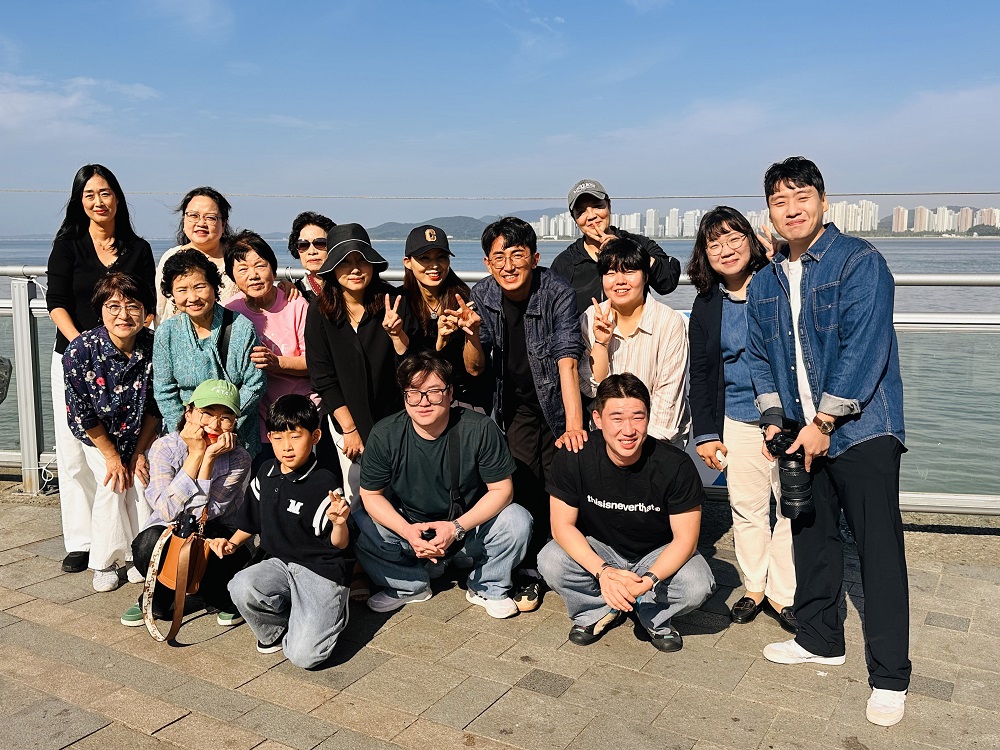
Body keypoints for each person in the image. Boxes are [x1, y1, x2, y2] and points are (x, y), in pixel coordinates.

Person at [747, 157, 910, 727]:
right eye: (779, 201)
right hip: (799, 431)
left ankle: (890, 676)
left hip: (862, 430)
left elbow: (866, 347)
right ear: (768, 211)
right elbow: (759, 356)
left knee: (878, 551)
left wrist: (824, 422)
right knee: (812, 538)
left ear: (823, 201)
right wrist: (774, 419)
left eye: (802, 198)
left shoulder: (859, 261)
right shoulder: (765, 280)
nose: (791, 210)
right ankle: (820, 639)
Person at [538, 374, 715, 651]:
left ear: (648, 417)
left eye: (637, 417)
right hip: (601, 548)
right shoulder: (574, 456)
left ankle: (651, 612)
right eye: (617, 418)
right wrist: (603, 572)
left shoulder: (676, 465)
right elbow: (562, 526)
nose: (628, 430)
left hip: (656, 553)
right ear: (598, 419)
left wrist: (648, 581)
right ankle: (598, 610)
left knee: (697, 584)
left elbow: (686, 540)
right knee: (551, 559)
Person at [355, 352, 531, 618]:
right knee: (361, 521)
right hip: (413, 528)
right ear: (404, 396)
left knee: (516, 519)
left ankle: (487, 585)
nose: (423, 401)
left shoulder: (480, 429)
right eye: (414, 393)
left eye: (434, 392)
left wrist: (455, 528)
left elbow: (502, 490)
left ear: (450, 393)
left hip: (467, 529)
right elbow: (371, 494)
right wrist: (406, 531)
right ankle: (409, 585)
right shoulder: (385, 433)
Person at [470, 216, 587, 612]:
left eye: (517, 255)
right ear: (487, 262)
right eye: (498, 257)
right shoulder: (482, 294)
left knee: (561, 479)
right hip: (515, 404)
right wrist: (470, 335)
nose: (508, 265)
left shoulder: (557, 292)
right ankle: (528, 568)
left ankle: (561, 560)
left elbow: (567, 358)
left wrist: (573, 426)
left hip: (556, 401)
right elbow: (475, 366)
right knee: (523, 479)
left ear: (535, 258)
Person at [687, 207, 796, 632]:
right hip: (736, 417)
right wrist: (705, 433)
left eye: (734, 238)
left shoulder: (778, 284)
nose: (726, 249)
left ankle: (783, 593)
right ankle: (754, 587)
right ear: (705, 254)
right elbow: (701, 374)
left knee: (790, 508)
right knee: (747, 508)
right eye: (714, 243)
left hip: (788, 418)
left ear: (751, 241)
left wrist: (781, 257)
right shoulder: (706, 305)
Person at [45, 164, 155, 575]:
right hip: (74, 357)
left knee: (124, 453)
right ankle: (83, 541)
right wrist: (83, 346)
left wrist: (120, 343)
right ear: (79, 201)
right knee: (75, 454)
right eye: (89, 194)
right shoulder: (68, 245)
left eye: (105, 193)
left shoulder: (138, 248)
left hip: (128, 361)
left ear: (118, 198)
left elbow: (147, 304)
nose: (98, 201)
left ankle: (127, 542)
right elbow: (56, 301)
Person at [222, 395, 351, 667]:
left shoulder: (324, 482)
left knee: (304, 657)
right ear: (269, 437)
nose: (287, 446)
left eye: (295, 436)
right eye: (278, 437)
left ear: (315, 436)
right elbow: (251, 520)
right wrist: (231, 544)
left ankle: (335, 610)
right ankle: (277, 628)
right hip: (279, 564)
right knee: (240, 585)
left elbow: (339, 545)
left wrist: (339, 523)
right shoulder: (266, 471)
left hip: (319, 572)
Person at [120, 380, 253, 627]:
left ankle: (217, 595)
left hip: (216, 533)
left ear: (234, 423)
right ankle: (160, 594)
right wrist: (196, 455)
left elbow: (205, 515)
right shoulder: (164, 447)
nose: (215, 425)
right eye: (207, 413)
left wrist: (208, 458)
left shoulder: (239, 458)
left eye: (226, 418)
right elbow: (166, 510)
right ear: (189, 412)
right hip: (169, 530)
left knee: (222, 553)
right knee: (147, 543)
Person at [62, 273, 161, 591]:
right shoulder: (80, 351)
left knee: (142, 485)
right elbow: (84, 414)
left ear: (146, 311)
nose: (123, 315)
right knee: (112, 485)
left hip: (141, 432)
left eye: (133, 306)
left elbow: (156, 407)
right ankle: (105, 562)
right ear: (100, 310)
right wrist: (113, 457)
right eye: (113, 306)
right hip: (98, 437)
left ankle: (139, 557)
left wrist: (139, 452)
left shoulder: (154, 345)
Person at [304, 222, 415, 506]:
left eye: (362, 261)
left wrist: (397, 336)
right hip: (347, 423)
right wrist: (350, 429)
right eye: (345, 262)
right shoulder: (319, 311)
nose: (355, 269)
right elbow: (322, 377)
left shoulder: (395, 302)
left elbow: (413, 369)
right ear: (332, 267)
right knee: (359, 497)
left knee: (404, 494)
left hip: (397, 421)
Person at [578, 237, 690, 448]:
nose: (620, 281)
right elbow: (592, 389)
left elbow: (668, 397)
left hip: (658, 442)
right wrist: (601, 344)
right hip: (607, 439)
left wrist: (640, 448)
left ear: (645, 276)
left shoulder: (668, 322)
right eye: (611, 273)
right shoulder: (590, 317)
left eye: (629, 271)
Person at [154, 248, 266, 457]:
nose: (192, 297)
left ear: (214, 287)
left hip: (235, 436)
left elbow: (255, 383)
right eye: (182, 290)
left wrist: (224, 424)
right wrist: (186, 431)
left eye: (200, 287)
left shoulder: (241, 328)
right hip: (188, 438)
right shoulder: (166, 332)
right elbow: (164, 390)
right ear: (172, 294)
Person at [224, 230, 316, 471]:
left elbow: (316, 362)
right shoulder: (229, 311)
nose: (253, 275)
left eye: (260, 266)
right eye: (242, 269)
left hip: (299, 416)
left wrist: (277, 363)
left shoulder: (295, 304)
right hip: (255, 420)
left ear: (273, 270)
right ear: (232, 276)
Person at [551, 179, 681, 315]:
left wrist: (627, 249)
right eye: (581, 212)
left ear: (609, 205)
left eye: (597, 206)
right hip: (587, 328)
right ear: (574, 218)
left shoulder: (639, 243)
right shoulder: (565, 263)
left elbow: (667, 282)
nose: (591, 216)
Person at [401, 224, 489, 410]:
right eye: (424, 258)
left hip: (465, 398)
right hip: (420, 401)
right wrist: (440, 342)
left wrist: (471, 332)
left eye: (441, 257)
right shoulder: (399, 303)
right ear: (407, 262)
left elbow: (475, 369)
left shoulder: (465, 301)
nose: (434, 265)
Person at [155, 187, 236, 322]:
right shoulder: (171, 257)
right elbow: (160, 310)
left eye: (210, 218)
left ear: (223, 223)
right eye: (193, 216)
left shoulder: (236, 260)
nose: (201, 223)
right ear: (184, 219)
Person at [287, 211, 336, 303]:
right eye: (303, 245)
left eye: (320, 243)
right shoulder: (292, 295)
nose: (312, 252)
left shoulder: (349, 287)